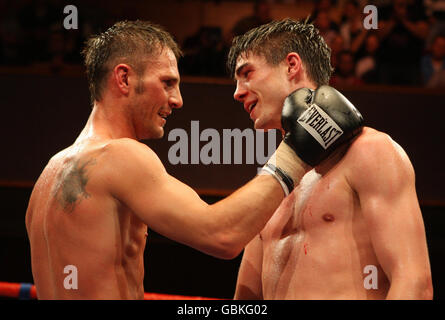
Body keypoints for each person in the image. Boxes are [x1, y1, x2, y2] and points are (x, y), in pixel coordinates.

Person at [25, 20, 362, 299]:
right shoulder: (121, 156)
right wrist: (296, 152)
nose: (178, 100)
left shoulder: (49, 175)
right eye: (167, 82)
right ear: (124, 78)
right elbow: (221, 235)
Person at [228, 18, 433, 299]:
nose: (238, 92)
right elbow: (246, 301)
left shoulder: (370, 152)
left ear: (291, 65)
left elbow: (413, 283)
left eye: (247, 73)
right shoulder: (268, 185)